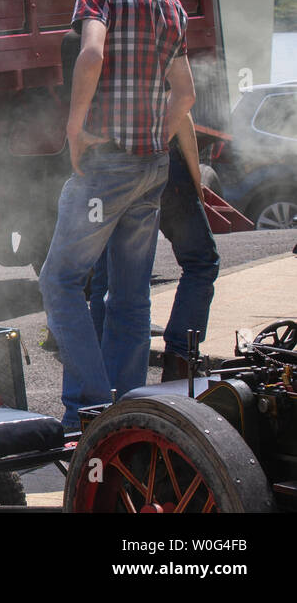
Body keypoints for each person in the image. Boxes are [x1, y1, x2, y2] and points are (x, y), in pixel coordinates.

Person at [38, 0, 195, 429]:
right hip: (152, 165)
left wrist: (76, 126)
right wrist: (156, 138)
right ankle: (130, 418)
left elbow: (92, 55)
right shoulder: (171, 2)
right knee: (129, 296)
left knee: (60, 282)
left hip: (107, 163)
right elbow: (186, 95)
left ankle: (90, 406)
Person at [60, 33, 220, 384]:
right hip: (162, 168)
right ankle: (180, 356)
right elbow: (182, 116)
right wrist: (196, 182)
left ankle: (103, 373)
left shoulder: (87, 47)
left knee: (106, 277)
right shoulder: (147, 41)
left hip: (104, 169)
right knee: (201, 261)